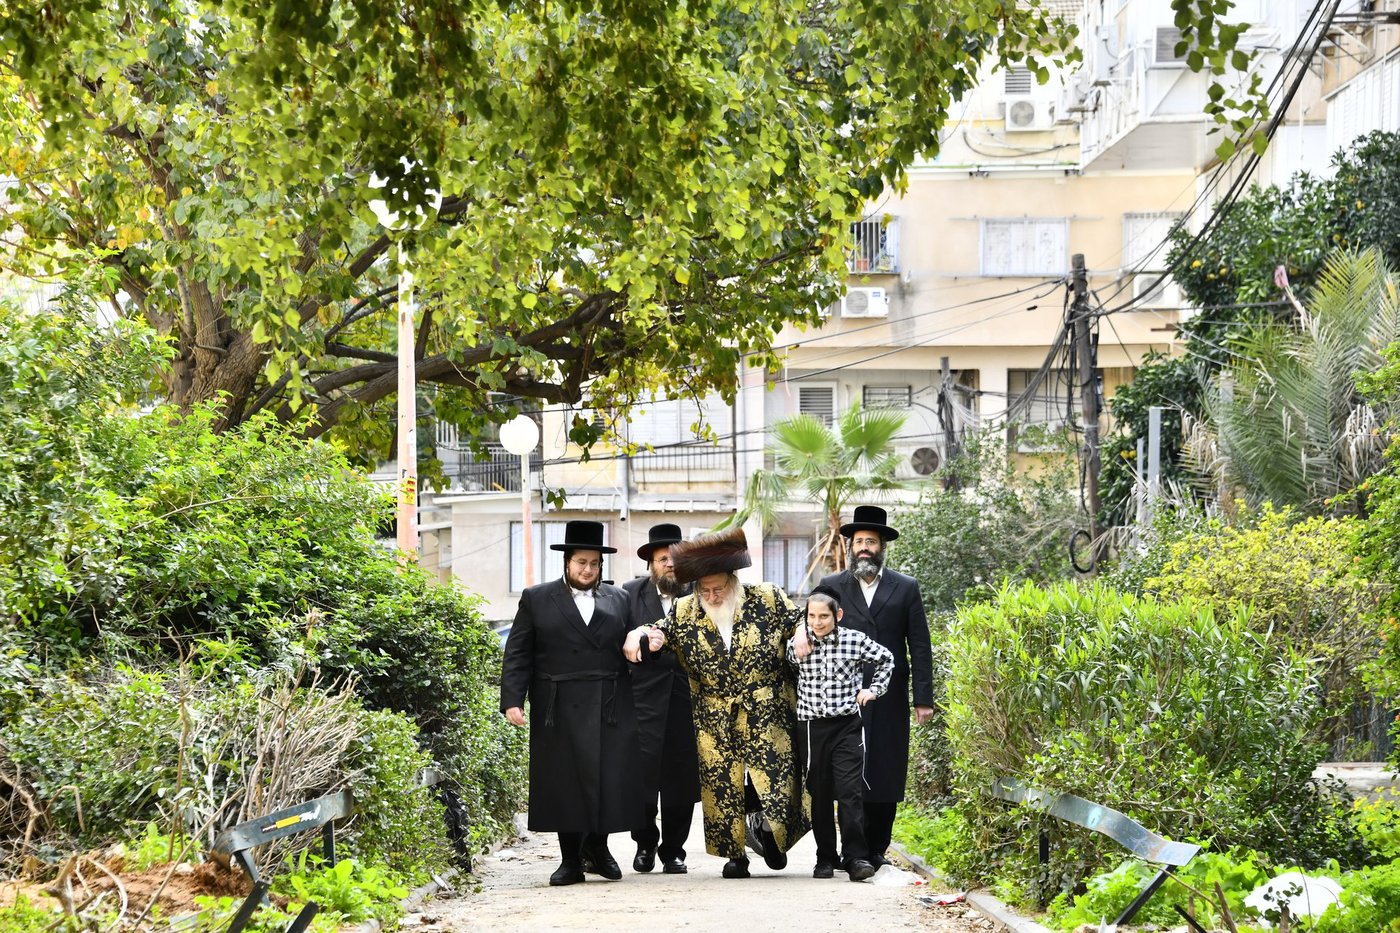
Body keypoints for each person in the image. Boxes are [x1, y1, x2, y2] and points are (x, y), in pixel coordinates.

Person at [624, 527, 808, 879]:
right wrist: (639, 634)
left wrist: (800, 631)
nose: (712, 595)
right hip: (714, 713)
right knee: (722, 784)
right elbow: (655, 630)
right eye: (705, 590)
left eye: (718, 589)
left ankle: (770, 834)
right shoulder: (684, 610)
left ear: (733, 581)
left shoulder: (766, 597)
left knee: (776, 780)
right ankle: (735, 854)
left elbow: (799, 618)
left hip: (766, 707)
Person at [500, 520, 644, 886]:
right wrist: (512, 699)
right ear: (567, 562)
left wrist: (643, 639)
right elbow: (518, 652)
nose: (588, 569)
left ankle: (599, 848)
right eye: (581, 562)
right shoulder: (536, 597)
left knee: (608, 778)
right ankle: (569, 860)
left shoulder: (620, 599)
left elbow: (635, 644)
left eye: (594, 564)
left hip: (610, 702)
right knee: (565, 781)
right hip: (557, 704)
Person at [817, 505, 934, 867]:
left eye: (871, 541)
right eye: (859, 542)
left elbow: (919, 644)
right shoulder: (832, 586)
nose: (864, 547)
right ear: (850, 547)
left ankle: (877, 849)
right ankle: (851, 849)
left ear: (882, 546)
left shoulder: (906, 587)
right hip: (842, 694)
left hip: (888, 694)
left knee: (885, 768)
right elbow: (812, 627)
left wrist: (923, 699)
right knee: (847, 771)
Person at [787, 585, 894, 882]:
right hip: (811, 726)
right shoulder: (798, 643)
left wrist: (873, 690)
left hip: (847, 725)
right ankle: (825, 857)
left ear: (838, 615)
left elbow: (887, 659)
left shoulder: (854, 641)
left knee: (849, 792)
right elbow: (787, 664)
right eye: (811, 616)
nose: (818, 622)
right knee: (819, 793)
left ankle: (855, 857)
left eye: (824, 616)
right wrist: (799, 634)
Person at [621, 523, 700, 875]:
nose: (670, 564)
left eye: (676, 558)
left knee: (681, 781)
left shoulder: (702, 592)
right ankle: (644, 842)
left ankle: (674, 851)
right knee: (641, 779)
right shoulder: (629, 593)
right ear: (651, 563)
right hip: (642, 701)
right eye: (663, 558)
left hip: (688, 701)